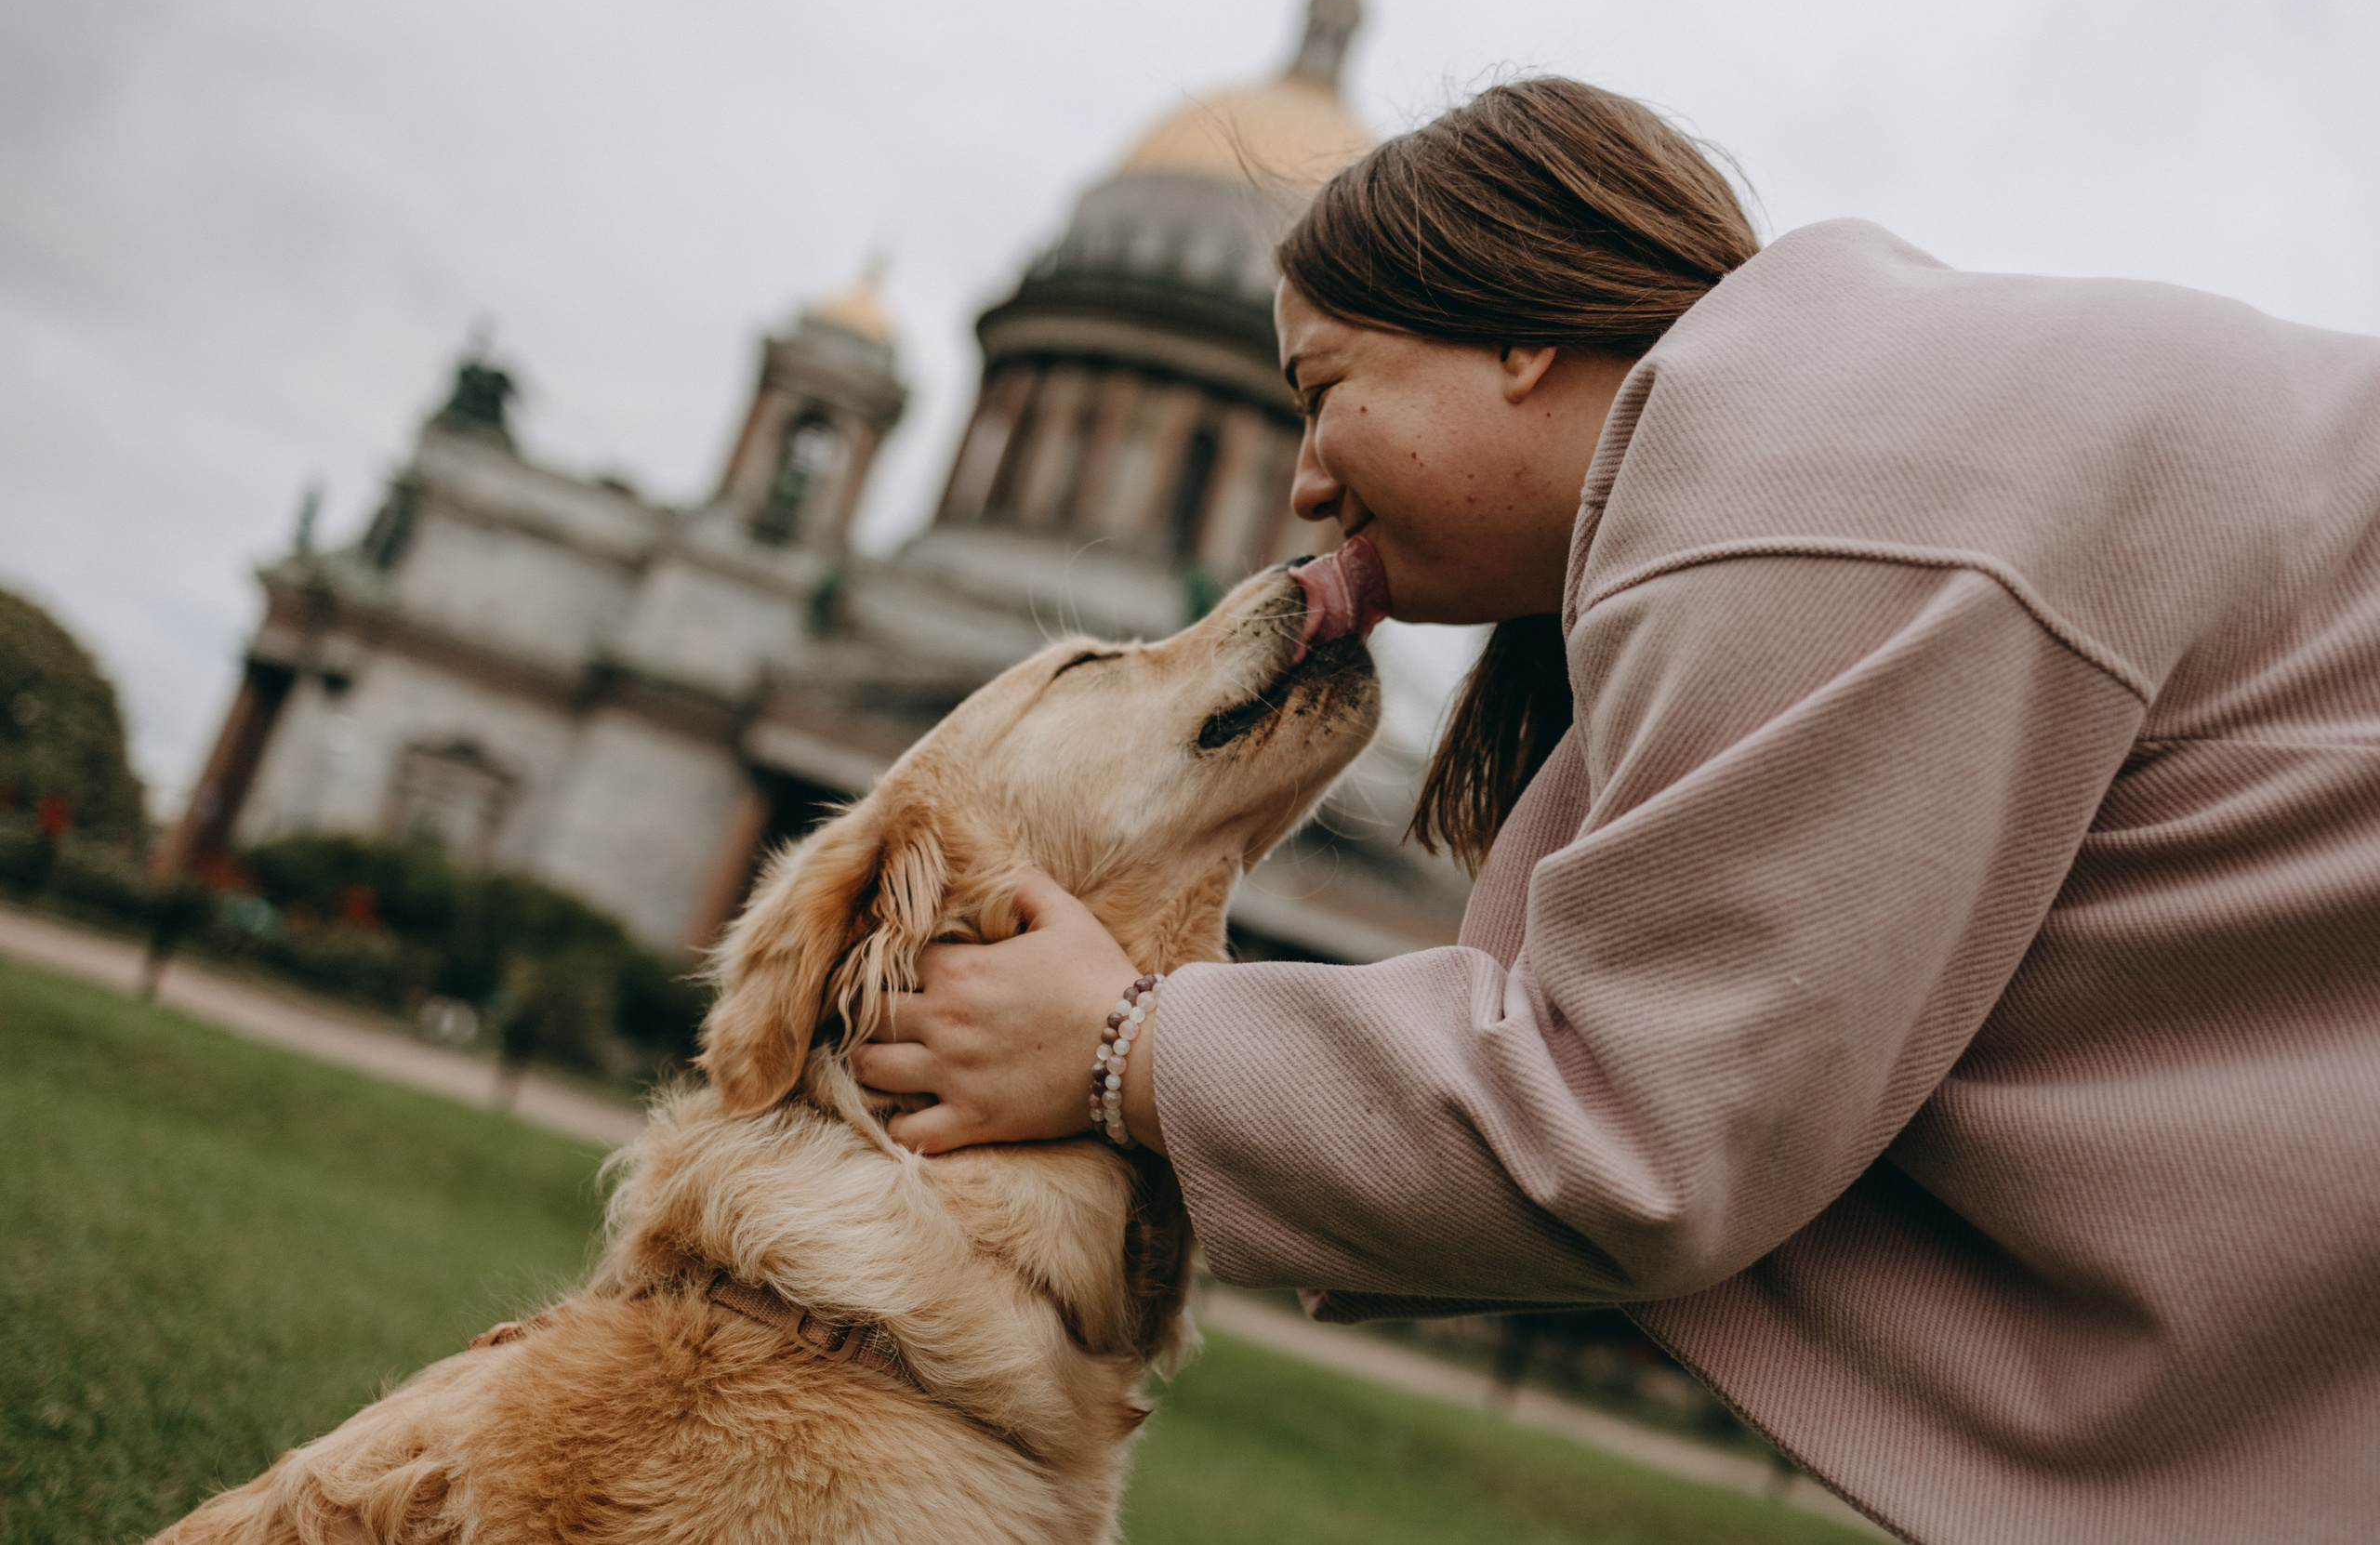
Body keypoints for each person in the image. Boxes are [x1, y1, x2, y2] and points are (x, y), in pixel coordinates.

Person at [853, 78, 2380, 1543]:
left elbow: (1638, 1130)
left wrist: (1125, 1046)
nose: (1305, 485)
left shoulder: (1812, 498)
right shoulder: (1846, 438)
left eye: (1322, 395)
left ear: (1512, 339)